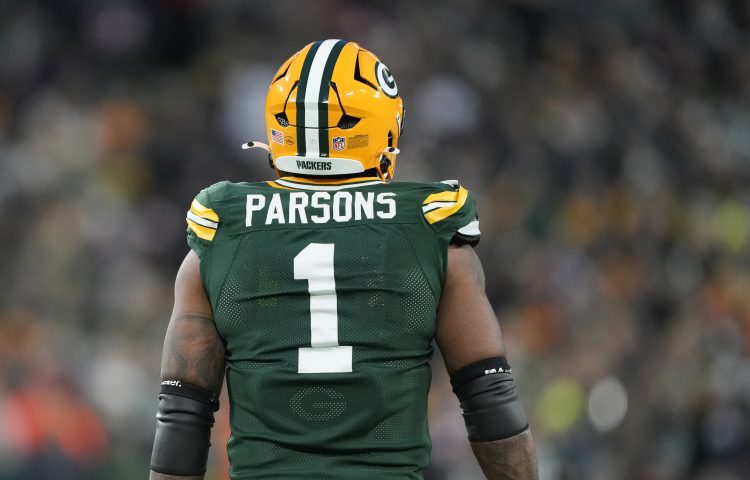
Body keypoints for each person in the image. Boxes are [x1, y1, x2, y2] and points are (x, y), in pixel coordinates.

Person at [150, 39, 539, 480]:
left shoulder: (223, 232)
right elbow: (490, 398)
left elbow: (182, 415)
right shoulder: (428, 229)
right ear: (383, 127)